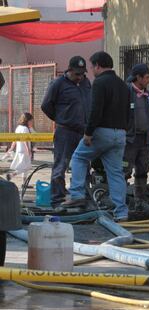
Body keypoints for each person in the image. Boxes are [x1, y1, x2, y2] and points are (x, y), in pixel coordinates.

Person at [61, 51, 130, 222]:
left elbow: (95, 110)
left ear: (98, 65)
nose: (91, 70)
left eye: (92, 67)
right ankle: (121, 212)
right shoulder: (123, 84)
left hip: (102, 131)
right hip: (120, 133)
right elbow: (129, 110)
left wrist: (88, 133)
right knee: (115, 172)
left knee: (78, 157)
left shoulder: (99, 83)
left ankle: (76, 194)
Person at [41, 56, 91, 209]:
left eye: (82, 74)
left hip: (83, 132)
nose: (80, 77)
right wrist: (62, 118)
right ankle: (57, 199)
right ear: (69, 70)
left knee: (84, 165)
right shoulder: (58, 84)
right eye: (77, 74)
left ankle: (82, 198)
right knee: (60, 166)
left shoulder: (85, 83)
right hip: (65, 131)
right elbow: (46, 105)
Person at [124, 64, 149, 211]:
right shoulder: (126, 92)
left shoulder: (148, 95)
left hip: (145, 139)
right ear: (138, 78)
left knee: (142, 171)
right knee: (124, 171)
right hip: (130, 140)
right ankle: (121, 202)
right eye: (147, 77)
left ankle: (140, 201)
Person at [6, 113, 34, 184]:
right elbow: (25, 140)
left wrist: (12, 147)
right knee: (26, 167)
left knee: (25, 166)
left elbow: (15, 139)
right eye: (31, 121)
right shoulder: (25, 129)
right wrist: (28, 150)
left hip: (19, 149)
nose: (32, 122)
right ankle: (11, 175)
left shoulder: (18, 128)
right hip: (24, 150)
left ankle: (24, 183)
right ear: (27, 120)